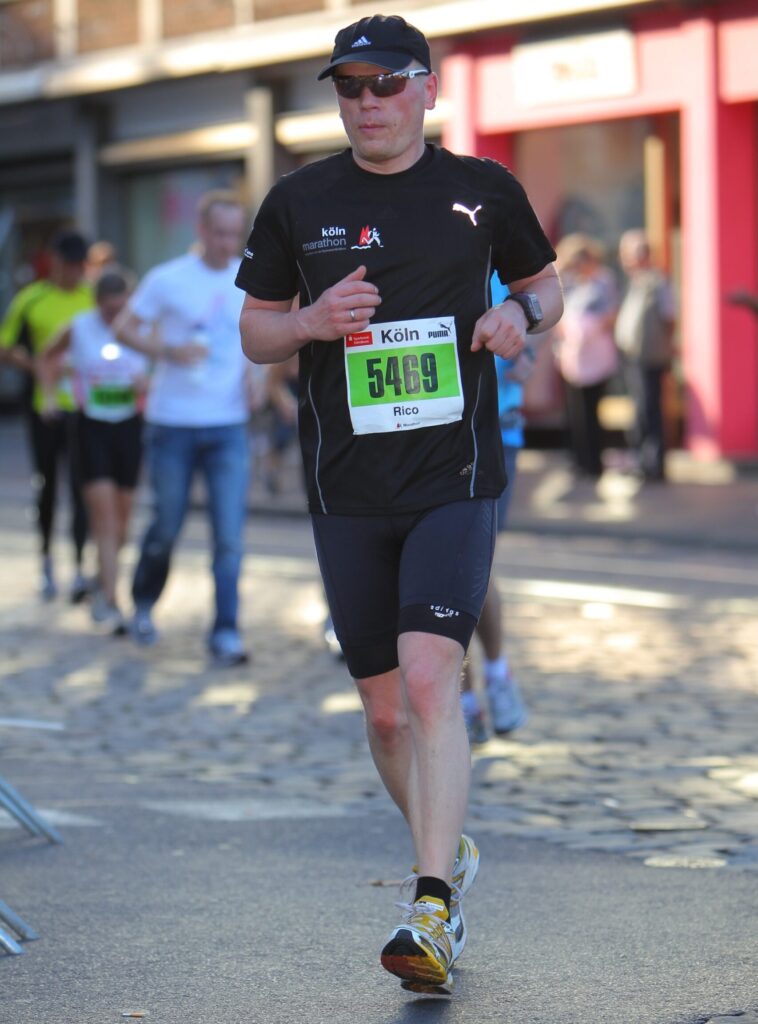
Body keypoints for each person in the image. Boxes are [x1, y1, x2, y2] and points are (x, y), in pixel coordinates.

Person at [236, 14, 562, 996]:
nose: (368, 102)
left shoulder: (483, 190)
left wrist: (516, 313)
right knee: (384, 715)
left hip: (453, 476)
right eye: (350, 86)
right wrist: (308, 320)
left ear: (426, 87)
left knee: (428, 680)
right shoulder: (299, 200)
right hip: (345, 488)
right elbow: (255, 332)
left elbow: (545, 287)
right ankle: (445, 850)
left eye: (387, 83)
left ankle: (430, 904)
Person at [114, 190, 252, 666]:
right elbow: (124, 328)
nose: (227, 243)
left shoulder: (248, 277)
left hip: (229, 425)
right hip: (172, 424)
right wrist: (168, 352)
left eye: (235, 234)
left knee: (229, 537)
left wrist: (258, 381)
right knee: (166, 527)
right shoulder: (168, 278)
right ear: (201, 230)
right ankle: (143, 605)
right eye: (220, 233)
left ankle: (226, 630)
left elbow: (262, 336)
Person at [39, 270, 148, 634]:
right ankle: (112, 601)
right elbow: (47, 356)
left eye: (121, 309)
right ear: (98, 303)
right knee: (103, 518)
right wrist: (50, 397)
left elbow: (164, 366)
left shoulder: (143, 326)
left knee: (123, 520)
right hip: (91, 428)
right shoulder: (80, 326)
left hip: (129, 427)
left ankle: (101, 581)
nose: (114, 317)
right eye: (108, 310)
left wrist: (147, 383)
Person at [0, 228, 93, 601]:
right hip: (45, 407)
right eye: (70, 264)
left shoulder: (91, 297)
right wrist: (39, 367)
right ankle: (46, 560)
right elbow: (6, 347)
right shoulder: (31, 299)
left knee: (82, 487)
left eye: (80, 265)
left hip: (85, 407)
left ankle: (81, 565)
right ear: (55, 262)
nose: (75, 272)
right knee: (48, 486)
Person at [459, 279, 530, 745]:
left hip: (495, 435)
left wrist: (521, 343)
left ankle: (497, 673)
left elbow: (541, 307)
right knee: (445, 569)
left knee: (473, 565)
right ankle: (463, 698)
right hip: (432, 435)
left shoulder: (499, 265)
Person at [554, 233, 618, 478]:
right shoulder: (571, 282)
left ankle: (594, 461)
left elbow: (611, 313)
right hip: (572, 357)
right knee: (575, 412)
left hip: (595, 356)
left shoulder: (603, 281)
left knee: (592, 411)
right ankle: (579, 459)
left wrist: (588, 330)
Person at [615, 229, 676, 482]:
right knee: (640, 411)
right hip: (633, 356)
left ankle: (653, 463)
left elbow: (669, 317)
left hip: (650, 356)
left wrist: (663, 346)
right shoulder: (636, 282)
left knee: (650, 410)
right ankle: (641, 460)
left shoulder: (658, 282)